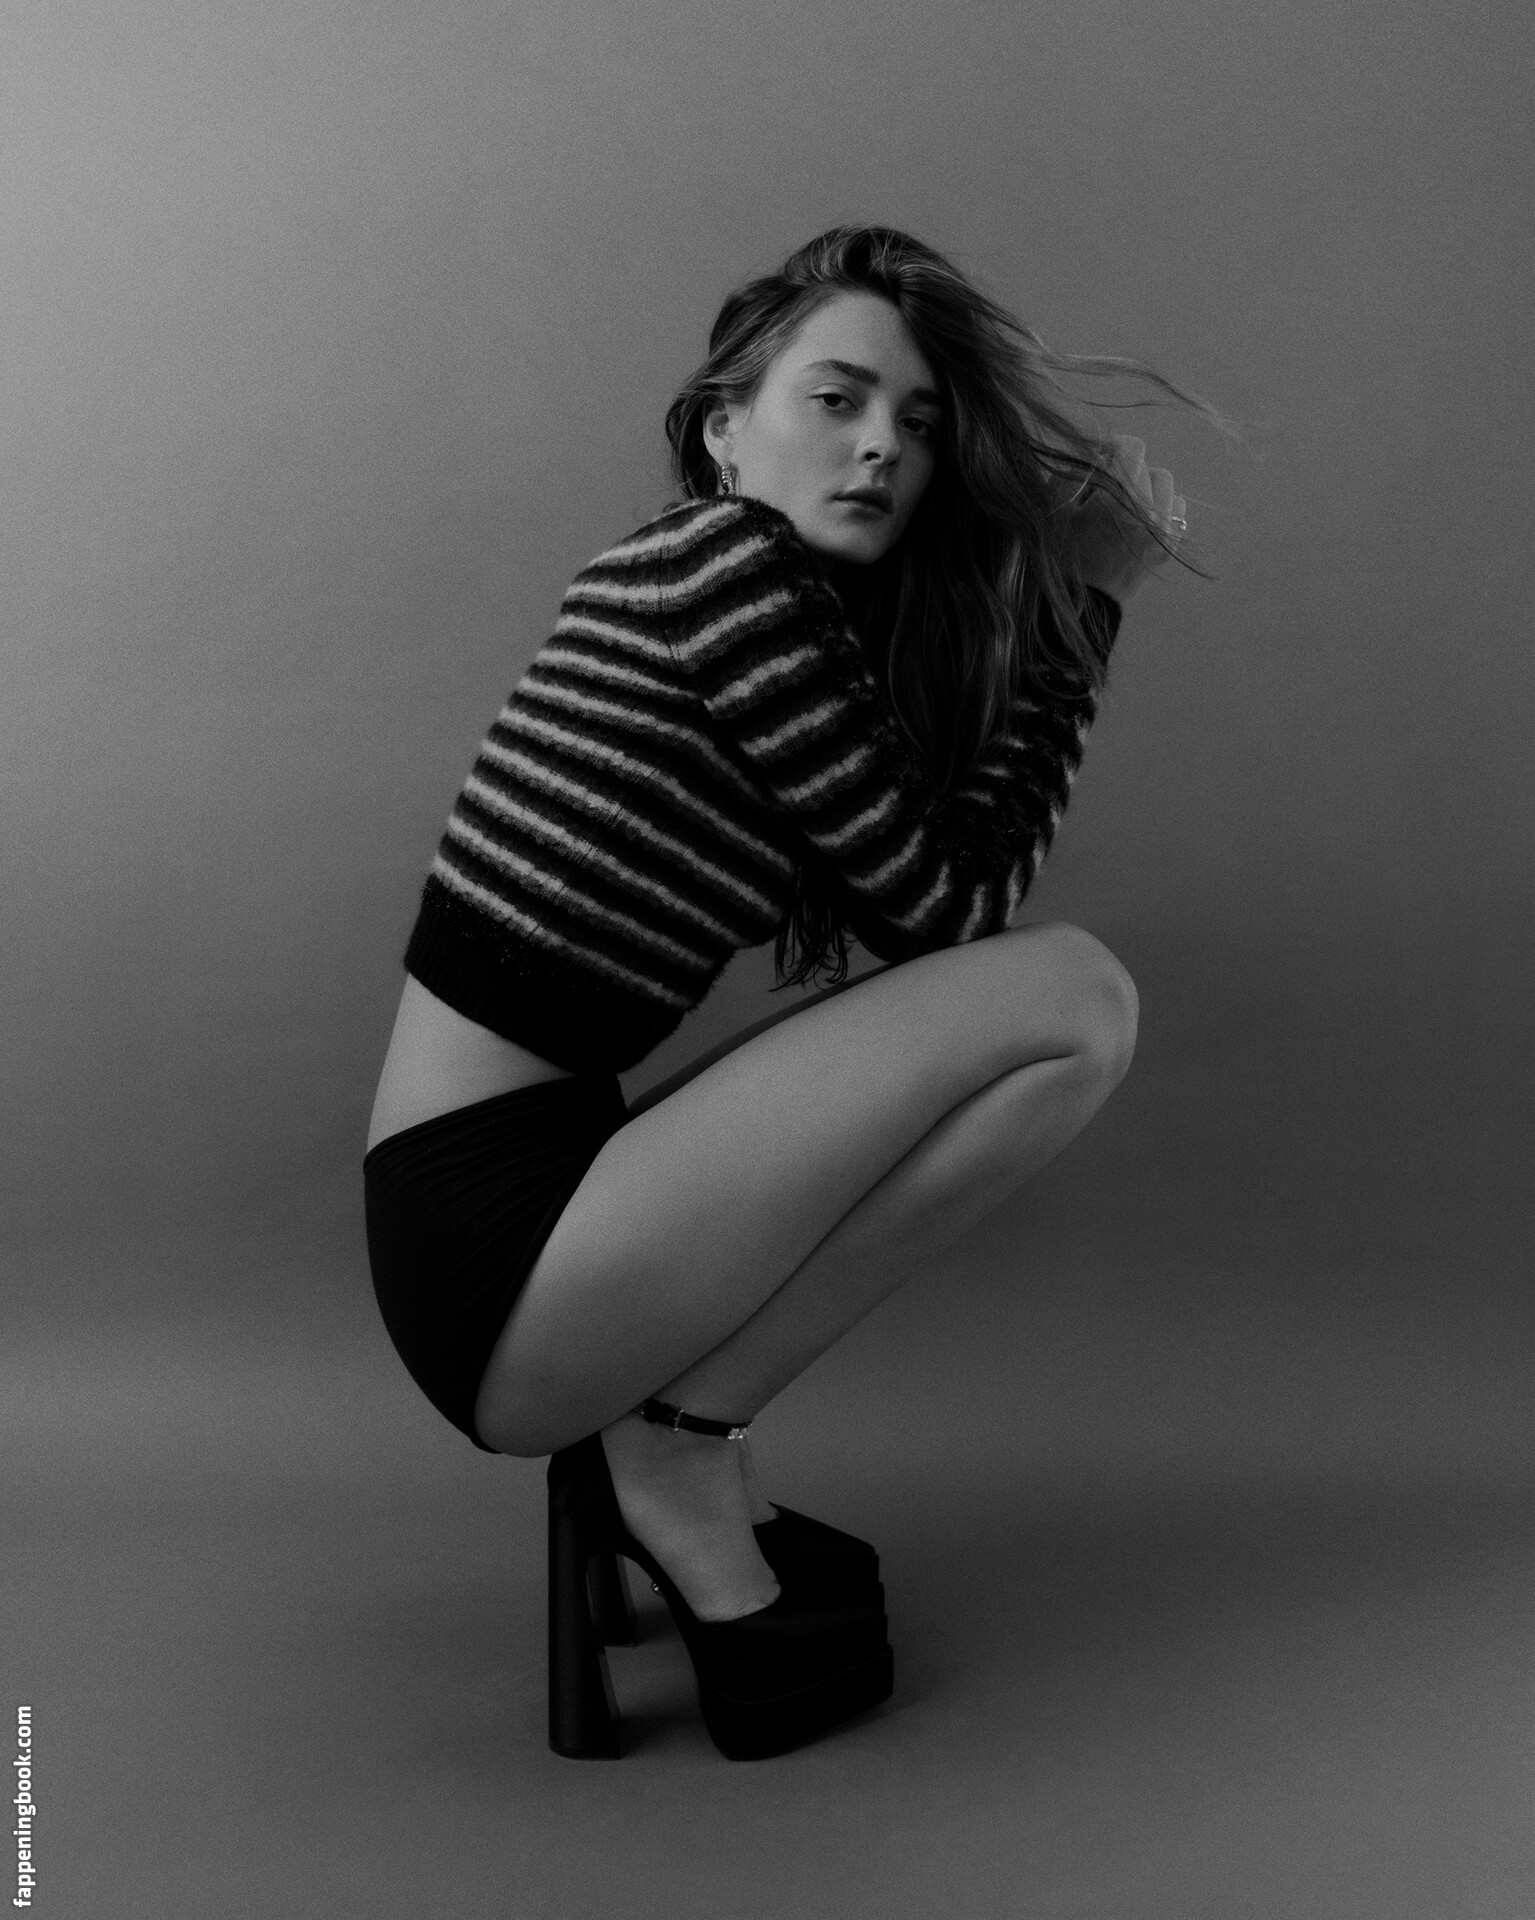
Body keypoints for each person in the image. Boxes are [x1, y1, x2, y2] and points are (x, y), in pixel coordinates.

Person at [363, 225, 1199, 1761]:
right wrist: (1082, 619)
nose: (883, 443)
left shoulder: (769, 609)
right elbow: (952, 916)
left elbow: (929, 905)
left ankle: (669, 1437)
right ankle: (677, 1444)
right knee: (1074, 1000)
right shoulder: (723, 568)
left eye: (921, 421)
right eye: (836, 397)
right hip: (496, 1252)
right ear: (722, 429)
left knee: (1051, 1016)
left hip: (544, 1192)